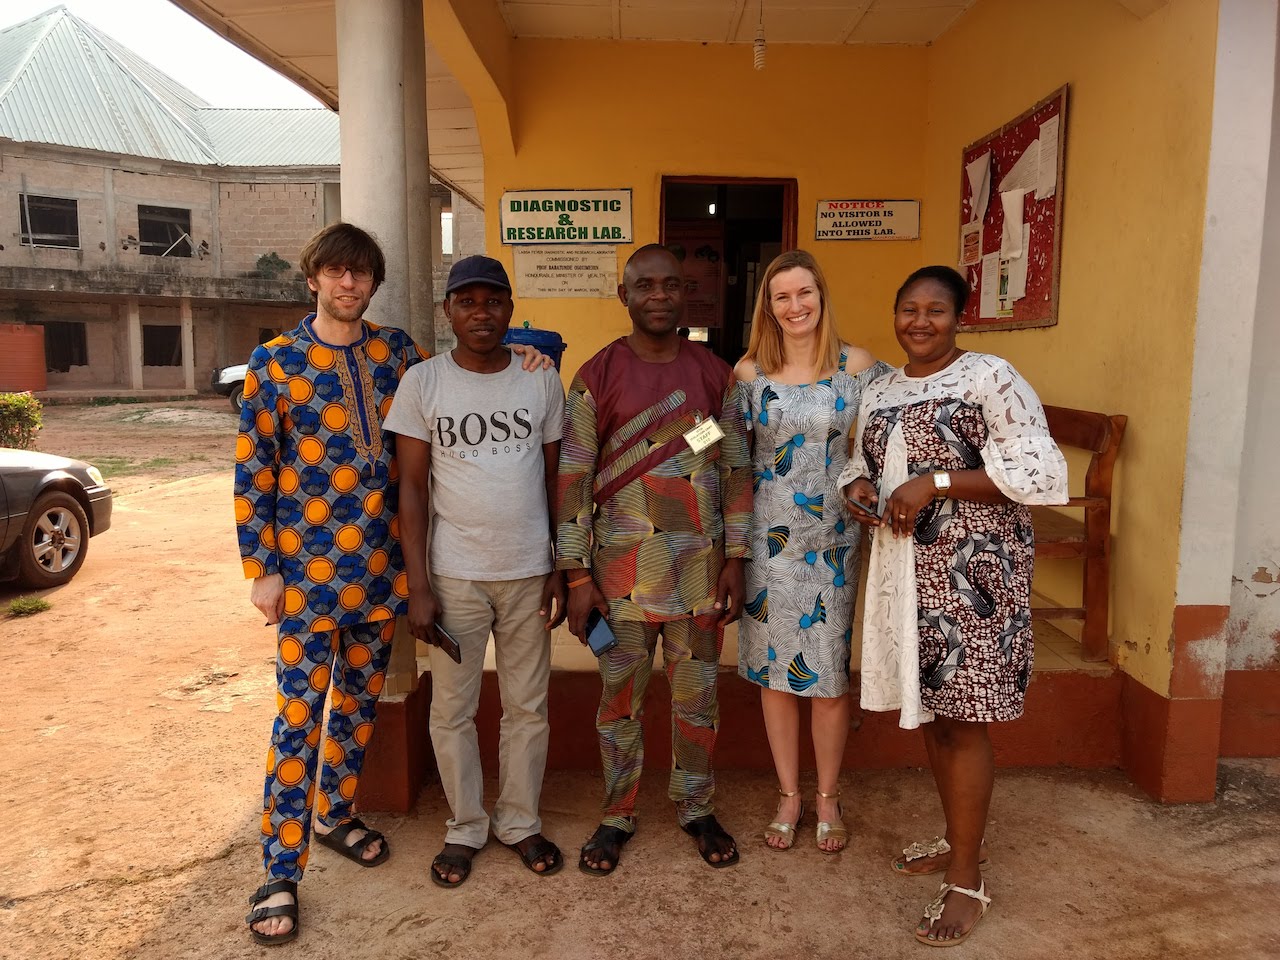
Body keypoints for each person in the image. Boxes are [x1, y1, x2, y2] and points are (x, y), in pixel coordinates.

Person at [236, 225, 547, 946]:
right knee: (298, 719)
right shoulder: (274, 363)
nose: (349, 285)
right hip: (307, 579)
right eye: (337, 273)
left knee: (357, 707)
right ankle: (280, 868)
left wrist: (532, 345)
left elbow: (479, 356)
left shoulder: (397, 355)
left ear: (373, 285)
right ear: (314, 278)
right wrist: (262, 569)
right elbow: (253, 470)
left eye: (362, 275)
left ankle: (336, 815)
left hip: (383, 577)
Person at [837, 265, 1067, 947]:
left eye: (935, 310)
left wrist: (934, 481)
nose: (920, 322)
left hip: (974, 576)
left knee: (965, 722)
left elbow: (1040, 473)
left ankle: (967, 879)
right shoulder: (879, 389)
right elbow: (861, 464)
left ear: (959, 316)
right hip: (908, 577)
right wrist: (857, 490)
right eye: (908, 309)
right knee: (938, 717)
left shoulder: (992, 377)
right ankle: (960, 840)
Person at [557, 243, 752, 875]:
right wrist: (579, 575)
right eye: (646, 286)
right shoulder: (597, 375)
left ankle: (695, 807)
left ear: (684, 295)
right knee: (619, 701)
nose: (660, 296)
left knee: (698, 699)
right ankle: (617, 813)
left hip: (698, 577)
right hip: (618, 584)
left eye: (672, 285)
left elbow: (728, 464)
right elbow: (575, 478)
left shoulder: (711, 374)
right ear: (626, 295)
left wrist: (737, 556)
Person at [384, 255, 567, 889]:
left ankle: (518, 821)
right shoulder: (423, 383)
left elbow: (552, 477)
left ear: (509, 310)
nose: (481, 313)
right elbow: (409, 487)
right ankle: (465, 826)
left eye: (493, 301)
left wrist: (557, 566)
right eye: (468, 302)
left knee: (527, 707)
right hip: (454, 576)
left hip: (525, 574)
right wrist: (420, 586)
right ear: (449, 312)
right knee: (452, 710)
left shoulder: (541, 380)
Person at [733, 250, 890, 853]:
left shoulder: (858, 366)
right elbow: (718, 442)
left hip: (832, 540)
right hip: (767, 544)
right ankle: (787, 795)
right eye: (781, 297)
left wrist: (873, 480)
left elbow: (892, 429)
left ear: (822, 297)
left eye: (805, 294)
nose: (794, 307)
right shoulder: (749, 374)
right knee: (775, 674)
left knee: (825, 676)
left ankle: (827, 795)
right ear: (767, 308)